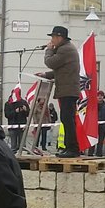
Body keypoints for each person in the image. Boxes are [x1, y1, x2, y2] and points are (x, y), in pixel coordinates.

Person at [38, 26, 80, 158]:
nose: (51, 40)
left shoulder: (65, 49)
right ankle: (70, 147)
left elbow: (51, 62)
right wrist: (46, 75)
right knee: (67, 119)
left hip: (68, 90)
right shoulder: (65, 48)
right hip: (67, 89)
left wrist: (49, 50)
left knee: (68, 120)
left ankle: (72, 149)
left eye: (53, 38)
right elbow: (61, 69)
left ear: (59, 37)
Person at [88, 91, 105, 157]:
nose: (99, 97)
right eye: (98, 95)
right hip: (93, 126)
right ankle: (90, 153)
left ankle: (99, 153)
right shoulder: (92, 105)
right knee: (92, 139)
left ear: (103, 97)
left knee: (101, 140)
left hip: (103, 126)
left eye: (101, 95)